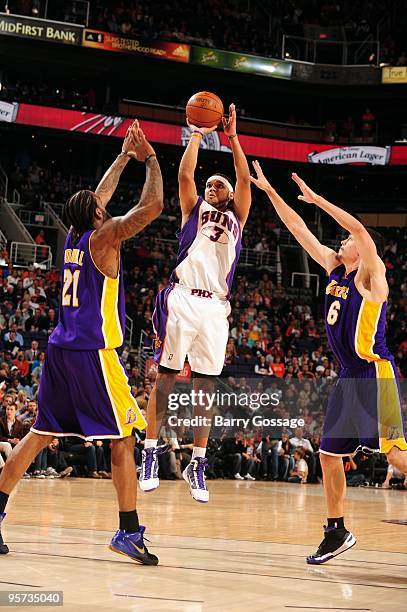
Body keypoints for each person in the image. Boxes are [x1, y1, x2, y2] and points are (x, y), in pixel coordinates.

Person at [0, 120, 164, 563]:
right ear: (95, 215)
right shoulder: (104, 237)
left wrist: (123, 156)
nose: (102, 205)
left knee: (37, 435)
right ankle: (128, 531)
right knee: (125, 437)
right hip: (93, 354)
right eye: (98, 206)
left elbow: (99, 195)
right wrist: (149, 158)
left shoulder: (74, 235)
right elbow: (151, 207)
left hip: (60, 350)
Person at [250, 161, 407, 564]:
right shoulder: (335, 268)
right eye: (341, 240)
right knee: (328, 454)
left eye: (346, 240)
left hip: (375, 374)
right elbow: (298, 229)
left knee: (395, 456)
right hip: (348, 377)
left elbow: (359, 230)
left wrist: (319, 199)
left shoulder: (372, 275)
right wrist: (269, 191)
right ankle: (336, 531)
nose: (342, 241)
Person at [140, 104, 251, 502]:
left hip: (217, 307)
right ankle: (150, 452)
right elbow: (186, 174)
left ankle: (197, 463)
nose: (212, 187)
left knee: (205, 388)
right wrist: (199, 134)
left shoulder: (238, 214)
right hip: (184, 297)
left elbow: (241, 175)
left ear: (232, 195)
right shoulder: (195, 210)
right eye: (210, 185)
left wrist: (233, 137)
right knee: (167, 378)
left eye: (218, 185)